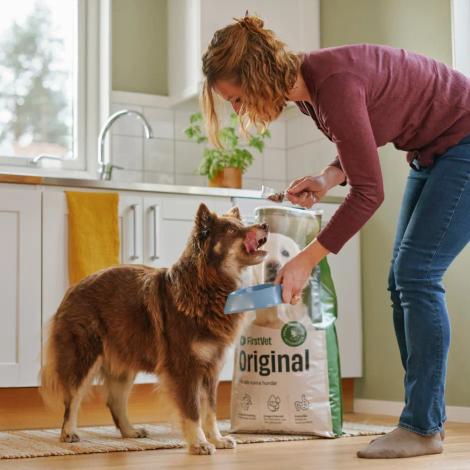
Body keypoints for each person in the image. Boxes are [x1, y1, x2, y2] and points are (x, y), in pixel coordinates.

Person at [200, 14, 470, 459]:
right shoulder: (311, 91)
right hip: (431, 153)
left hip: (461, 144)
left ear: (256, 76)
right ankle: (426, 422)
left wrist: (305, 260)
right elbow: (369, 131)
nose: (239, 109)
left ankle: (421, 426)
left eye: (238, 97)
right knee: (401, 280)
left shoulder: (333, 84)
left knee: (417, 275)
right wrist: (327, 178)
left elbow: (369, 193)